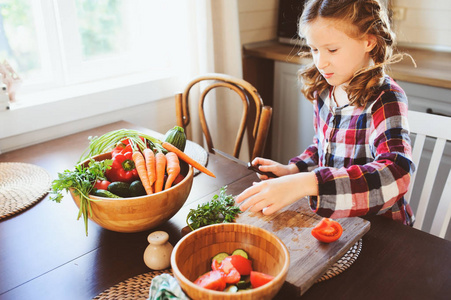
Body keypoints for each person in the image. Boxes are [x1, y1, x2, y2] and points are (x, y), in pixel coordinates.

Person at [235, 0, 415, 226]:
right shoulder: (325, 90)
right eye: (314, 49)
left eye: (332, 49)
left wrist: (307, 183)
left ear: (368, 41)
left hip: (380, 229)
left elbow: (397, 174)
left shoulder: (385, 98)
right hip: (338, 222)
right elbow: (323, 148)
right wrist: (294, 169)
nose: (321, 62)